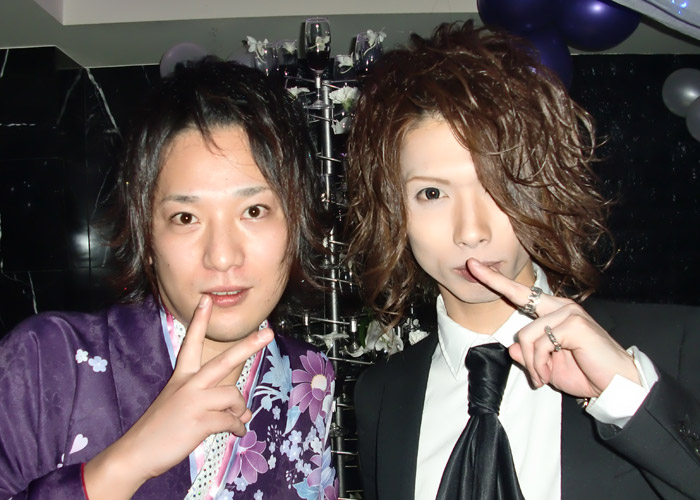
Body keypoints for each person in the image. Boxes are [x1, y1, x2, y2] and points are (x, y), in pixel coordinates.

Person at [345, 21, 700, 500]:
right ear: (393, 211)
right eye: (431, 193)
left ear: (544, 188)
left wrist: (629, 398)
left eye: (499, 185)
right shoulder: (380, 395)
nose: (471, 231)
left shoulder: (676, 348)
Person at [0, 59, 338, 500]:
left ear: (297, 222)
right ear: (147, 236)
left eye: (254, 211)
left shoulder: (309, 379)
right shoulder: (44, 360)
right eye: (185, 217)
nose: (222, 256)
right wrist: (128, 462)